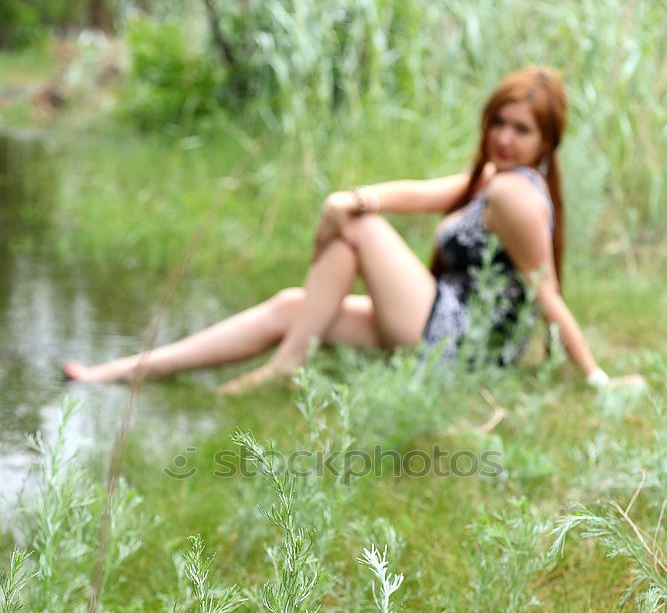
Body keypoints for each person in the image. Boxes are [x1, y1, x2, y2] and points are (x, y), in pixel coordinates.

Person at [63, 67, 639, 392]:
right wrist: (351, 197)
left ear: (546, 143)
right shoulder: (494, 177)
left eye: (522, 130)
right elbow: (418, 192)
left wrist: (597, 379)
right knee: (296, 302)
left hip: (466, 350)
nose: (504, 137)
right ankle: (121, 372)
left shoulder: (516, 194)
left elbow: (547, 294)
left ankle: (285, 368)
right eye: (498, 122)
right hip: (439, 318)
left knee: (360, 230)